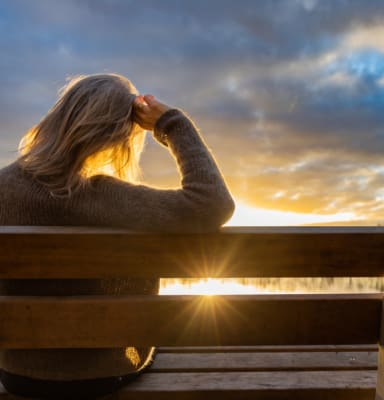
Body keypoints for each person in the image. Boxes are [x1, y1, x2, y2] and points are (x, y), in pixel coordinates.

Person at [0, 73, 235, 399]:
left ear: (57, 117)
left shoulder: (3, 187)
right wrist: (172, 123)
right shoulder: (107, 198)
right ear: (118, 136)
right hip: (103, 375)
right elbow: (213, 203)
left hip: (18, 375)